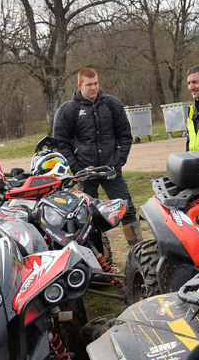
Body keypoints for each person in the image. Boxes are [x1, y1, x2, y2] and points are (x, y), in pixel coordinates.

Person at [53, 67, 140, 244]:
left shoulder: (111, 104)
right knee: (85, 216)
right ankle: (98, 256)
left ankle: (137, 249)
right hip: (84, 173)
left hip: (111, 169)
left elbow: (125, 134)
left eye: (95, 83)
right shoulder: (68, 110)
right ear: (80, 85)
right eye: (88, 85)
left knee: (128, 210)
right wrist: (75, 167)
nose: (93, 88)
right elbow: (61, 143)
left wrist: (121, 158)